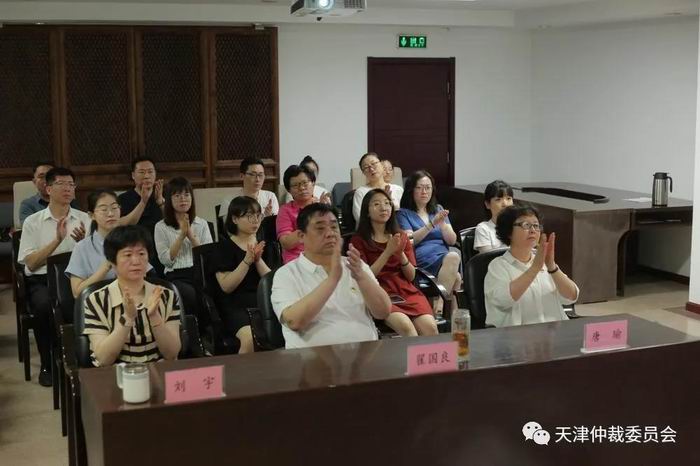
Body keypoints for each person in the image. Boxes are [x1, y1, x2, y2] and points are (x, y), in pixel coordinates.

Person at [271, 203, 391, 349]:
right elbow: (294, 322)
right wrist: (332, 280)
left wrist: (361, 276)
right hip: (310, 359)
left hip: (364, 356)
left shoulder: (355, 265)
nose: (330, 233)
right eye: (320, 228)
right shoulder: (286, 274)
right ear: (301, 236)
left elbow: (383, 312)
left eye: (334, 227)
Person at [18, 167, 90, 386]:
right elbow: (31, 263)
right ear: (48, 189)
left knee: (89, 299)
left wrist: (83, 245)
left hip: (75, 277)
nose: (68, 188)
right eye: (61, 184)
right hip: (43, 280)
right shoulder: (33, 222)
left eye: (71, 184)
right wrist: (57, 241)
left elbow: (94, 257)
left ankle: (82, 359)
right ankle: (47, 364)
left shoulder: (85, 219)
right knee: (43, 307)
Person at [82, 225, 181, 366]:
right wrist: (127, 318)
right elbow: (103, 359)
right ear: (112, 262)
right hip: (116, 375)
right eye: (127, 255)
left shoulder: (166, 296)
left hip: (160, 372)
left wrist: (155, 317)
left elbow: (172, 354)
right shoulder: (96, 300)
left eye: (141, 254)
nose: (136, 261)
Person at [351, 189, 437, 337]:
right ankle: (412, 354)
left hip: (405, 290)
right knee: (406, 328)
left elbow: (411, 276)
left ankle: (433, 354)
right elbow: (366, 276)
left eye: (387, 203)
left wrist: (400, 254)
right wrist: (387, 252)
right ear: (367, 211)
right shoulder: (358, 240)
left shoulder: (401, 235)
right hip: (379, 292)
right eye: (376, 204)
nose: (383, 208)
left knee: (431, 328)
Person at [484, 204, 579, 327]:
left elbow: (572, 296)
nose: (533, 230)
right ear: (508, 232)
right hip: (517, 336)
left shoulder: (546, 263)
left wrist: (552, 267)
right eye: (526, 225)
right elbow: (502, 301)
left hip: (556, 334)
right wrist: (534, 268)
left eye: (536, 225)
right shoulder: (498, 266)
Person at [397, 170, 461, 314]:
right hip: (422, 260)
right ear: (411, 190)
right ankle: (441, 305)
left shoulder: (438, 209)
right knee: (454, 264)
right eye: (419, 188)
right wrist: (432, 224)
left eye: (428, 187)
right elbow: (410, 241)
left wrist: (443, 224)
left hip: (444, 259)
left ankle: (446, 316)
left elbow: (452, 240)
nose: (424, 192)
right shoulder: (403, 213)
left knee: (455, 273)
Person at [214, 196, 271, 354]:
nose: (255, 220)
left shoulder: (265, 245)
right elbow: (226, 286)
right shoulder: (223, 248)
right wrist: (246, 261)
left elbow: (272, 283)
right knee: (249, 338)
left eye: (258, 215)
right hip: (236, 306)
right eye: (249, 216)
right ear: (234, 219)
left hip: (263, 302)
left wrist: (258, 260)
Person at [154, 177, 213, 325]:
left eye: (187, 194)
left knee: (213, 294)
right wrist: (181, 236)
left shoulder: (201, 224)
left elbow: (208, 257)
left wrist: (191, 236)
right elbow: (166, 260)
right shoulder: (161, 227)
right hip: (176, 275)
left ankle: (210, 333)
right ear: (169, 199)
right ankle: (194, 332)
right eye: (177, 195)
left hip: (200, 273)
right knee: (190, 295)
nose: (183, 199)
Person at [66, 189, 124, 298]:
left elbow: (146, 276)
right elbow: (77, 292)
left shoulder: (130, 242)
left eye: (114, 208)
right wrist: (106, 267)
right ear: (91, 215)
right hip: (96, 303)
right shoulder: (82, 248)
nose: (111, 213)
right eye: (104, 209)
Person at [118, 157, 165, 274]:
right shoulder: (123, 199)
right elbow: (123, 225)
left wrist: (160, 202)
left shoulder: (163, 194)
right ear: (133, 175)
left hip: (162, 249)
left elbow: (173, 222)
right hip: (136, 250)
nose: (146, 176)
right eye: (142, 172)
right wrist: (143, 202)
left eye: (150, 171)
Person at [277, 164, 331, 264]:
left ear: (313, 183)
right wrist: (310, 222)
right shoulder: (285, 210)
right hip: (297, 260)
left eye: (305, 183)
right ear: (289, 190)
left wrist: (325, 212)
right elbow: (286, 243)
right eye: (295, 185)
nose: (302, 188)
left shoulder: (321, 207)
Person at [352, 152, 403, 223]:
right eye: (366, 167)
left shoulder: (398, 189)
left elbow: (406, 215)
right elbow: (360, 218)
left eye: (373, 164)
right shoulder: (361, 192)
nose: (371, 169)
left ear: (382, 165)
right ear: (363, 173)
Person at [474, 180, 514, 253]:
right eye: (498, 199)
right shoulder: (483, 229)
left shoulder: (518, 226)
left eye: (508, 198)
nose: (505, 204)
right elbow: (487, 258)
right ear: (487, 204)